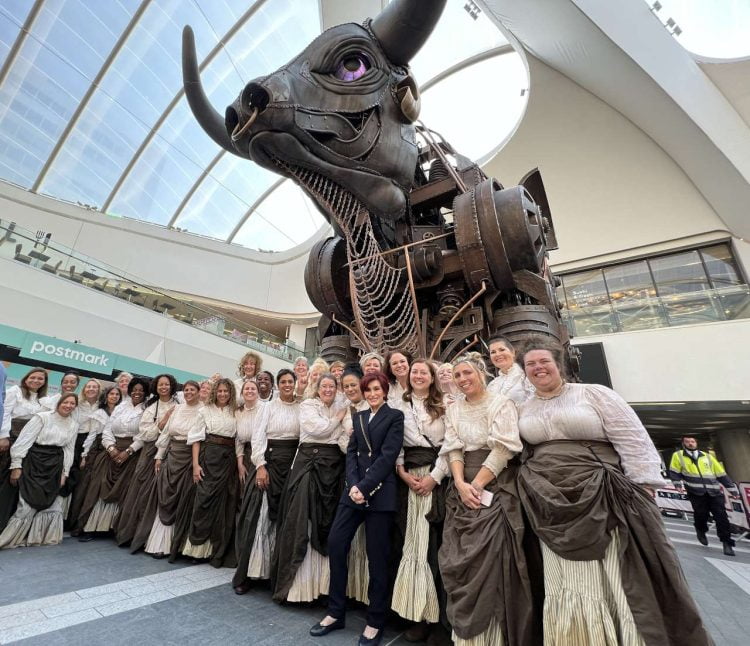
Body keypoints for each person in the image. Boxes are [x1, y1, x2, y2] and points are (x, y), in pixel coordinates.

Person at [516, 336, 713, 646]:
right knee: (563, 575)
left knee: (617, 571)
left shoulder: (594, 394)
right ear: (524, 372)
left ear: (558, 364)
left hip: (603, 490)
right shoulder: (522, 407)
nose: (538, 368)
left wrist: (644, 483)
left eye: (544, 361)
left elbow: (631, 436)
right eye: (530, 364)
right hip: (546, 498)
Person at [438, 352, 538, 646]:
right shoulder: (454, 409)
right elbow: (453, 448)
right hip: (462, 485)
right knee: (458, 557)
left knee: (495, 557)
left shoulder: (500, 403)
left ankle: (495, 637)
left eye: (467, 373)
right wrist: (459, 483)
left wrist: (477, 485)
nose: (462, 379)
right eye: (457, 375)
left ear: (481, 374)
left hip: (495, 482)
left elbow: (504, 448)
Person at [310, 372, 404, 646]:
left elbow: (388, 455)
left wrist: (365, 486)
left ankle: (375, 621)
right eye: (368, 389)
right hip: (353, 493)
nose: (373, 393)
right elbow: (351, 453)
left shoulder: (395, 417)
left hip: (379, 494)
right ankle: (335, 612)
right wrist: (354, 485)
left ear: (384, 390)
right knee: (337, 543)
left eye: (377, 389)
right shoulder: (360, 417)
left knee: (377, 558)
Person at [272, 373, 346, 603]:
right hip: (308, 464)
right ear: (317, 387)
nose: (327, 389)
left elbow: (343, 438)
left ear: (336, 389)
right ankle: (297, 588)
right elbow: (316, 429)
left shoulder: (342, 406)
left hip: (332, 467)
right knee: (301, 519)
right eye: (324, 386)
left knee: (328, 521)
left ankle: (322, 587)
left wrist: (341, 429)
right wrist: (336, 421)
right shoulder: (307, 405)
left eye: (331, 386)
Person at [392, 360, 450, 645]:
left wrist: (435, 477)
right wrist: (403, 473)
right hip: (410, 480)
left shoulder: (444, 404)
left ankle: (440, 617)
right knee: (413, 543)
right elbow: (396, 444)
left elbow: (452, 442)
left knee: (436, 545)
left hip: (438, 478)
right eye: (414, 371)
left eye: (422, 372)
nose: (417, 375)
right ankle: (417, 613)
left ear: (431, 377)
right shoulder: (399, 406)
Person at [233, 369, 300, 594]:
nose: (287, 385)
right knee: (258, 519)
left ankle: (275, 574)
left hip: (292, 466)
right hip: (269, 463)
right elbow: (258, 436)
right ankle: (250, 574)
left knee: (285, 520)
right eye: (283, 382)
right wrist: (260, 466)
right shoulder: (267, 407)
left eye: (291, 381)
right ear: (277, 386)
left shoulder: (303, 406)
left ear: (295, 383)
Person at [0, 393, 78, 548]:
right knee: (26, 504)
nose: (68, 405)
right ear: (58, 403)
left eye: (72, 403)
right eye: (65, 402)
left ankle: (39, 538)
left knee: (52, 505)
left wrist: (65, 472)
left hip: (55, 465)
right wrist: (16, 466)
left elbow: (69, 450)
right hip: (34, 461)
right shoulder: (41, 418)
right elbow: (23, 441)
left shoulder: (73, 424)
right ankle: (9, 539)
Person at [77, 377, 148, 535]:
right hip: (111, 449)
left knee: (124, 490)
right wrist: (110, 447)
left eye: (141, 390)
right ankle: (91, 527)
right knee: (97, 486)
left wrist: (128, 451)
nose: (137, 393)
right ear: (130, 391)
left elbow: (144, 434)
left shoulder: (147, 408)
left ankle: (111, 528)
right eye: (134, 390)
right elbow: (108, 428)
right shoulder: (122, 406)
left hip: (132, 453)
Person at [115, 374, 178, 549]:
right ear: (156, 387)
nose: (163, 387)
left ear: (171, 386)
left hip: (170, 452)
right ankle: (132, 534)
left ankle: (153, 540)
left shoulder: (178, 406)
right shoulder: (151, 408)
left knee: (160, 493)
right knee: (140, 492)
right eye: (160, 385)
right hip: (149, 453)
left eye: (166, 384)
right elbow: (145, 435)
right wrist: (163, 422)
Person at [143, 380, 203, 560]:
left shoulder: (203, 410)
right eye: (186, 390)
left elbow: (199, 439)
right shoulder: (177, 409)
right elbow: (166, 433)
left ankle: (177, 544)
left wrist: (195, 463)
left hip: (190, 457)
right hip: (173, 455)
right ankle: (160, 543)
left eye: (192, 390)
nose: (189, 392)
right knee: (165, 495)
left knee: (183, 499)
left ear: (199, 392)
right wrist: (160, 456)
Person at [183, 378, 238, 567]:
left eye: (226, 391)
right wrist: (196, 465)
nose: (223, 394)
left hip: (228, 459)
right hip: (209, 457)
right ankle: (197, 549)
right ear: (215, 392)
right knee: (203, 501)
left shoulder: (235, 411)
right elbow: (196, 439)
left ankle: (215, 551)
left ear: (230, 393)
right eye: (220, 391)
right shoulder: (204, 411)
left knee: (223, 505)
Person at [669, 435, 736, 556]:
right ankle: (701, 529)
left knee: (722, 518)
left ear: (696, 443)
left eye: (693, 441)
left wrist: (732, 490)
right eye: (688, 442)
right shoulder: (678, 456)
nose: (690, 443)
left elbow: (721, 474)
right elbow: (674, 472)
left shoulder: (707, 456)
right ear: (683, 444)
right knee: (701, 515)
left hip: (714, 492)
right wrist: (677, 484)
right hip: (696, 492)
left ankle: (727, 543)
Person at [336, 365, 370, 605]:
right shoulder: (346, 411)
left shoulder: (375, 406)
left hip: (374, 481)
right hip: (351, 478)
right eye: (346, 386)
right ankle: (341, 600)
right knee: (337, 540)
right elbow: (342, 441)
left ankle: (368, 599)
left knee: (373, 546)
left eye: (353, 384)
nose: (350, 389)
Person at [69, 385, 122, 533]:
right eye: (111, 394)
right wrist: (85, 455)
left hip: (114, 451)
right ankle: (80, 525)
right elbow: (92, 435)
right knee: (89, 488)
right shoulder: (99, 413)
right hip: (97, 451)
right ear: (106, 396)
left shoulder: (121, 412)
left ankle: (98, 525)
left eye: (117, 394)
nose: (114, 396)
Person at [1, 367, 48, 532]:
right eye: (33, 377)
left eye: (40, 379)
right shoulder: (15, 391)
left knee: (14, 484)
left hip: (28, 445)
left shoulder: (43, 400)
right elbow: (5, 413)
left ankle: (5, 523)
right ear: (26, 378)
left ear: (44, 382)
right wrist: (3, 436)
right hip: (10, 438)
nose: (36, 380)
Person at [60, 378, 101, 528]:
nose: (91, 389)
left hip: (91, 443)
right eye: (88, 386)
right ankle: (60, 516)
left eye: (94, 387)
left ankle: (72, 517)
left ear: (99, 390)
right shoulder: (77, 404)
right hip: (74, 440)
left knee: (81, 480)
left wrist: (86, 452)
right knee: (67, 473)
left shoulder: (100, 406)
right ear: (84, 389)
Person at [485, 336, 533, 404]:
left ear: (512, 352)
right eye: (493, 352)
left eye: (502, 350)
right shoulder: (492, 385)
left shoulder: (526, 376)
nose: (497, 354)